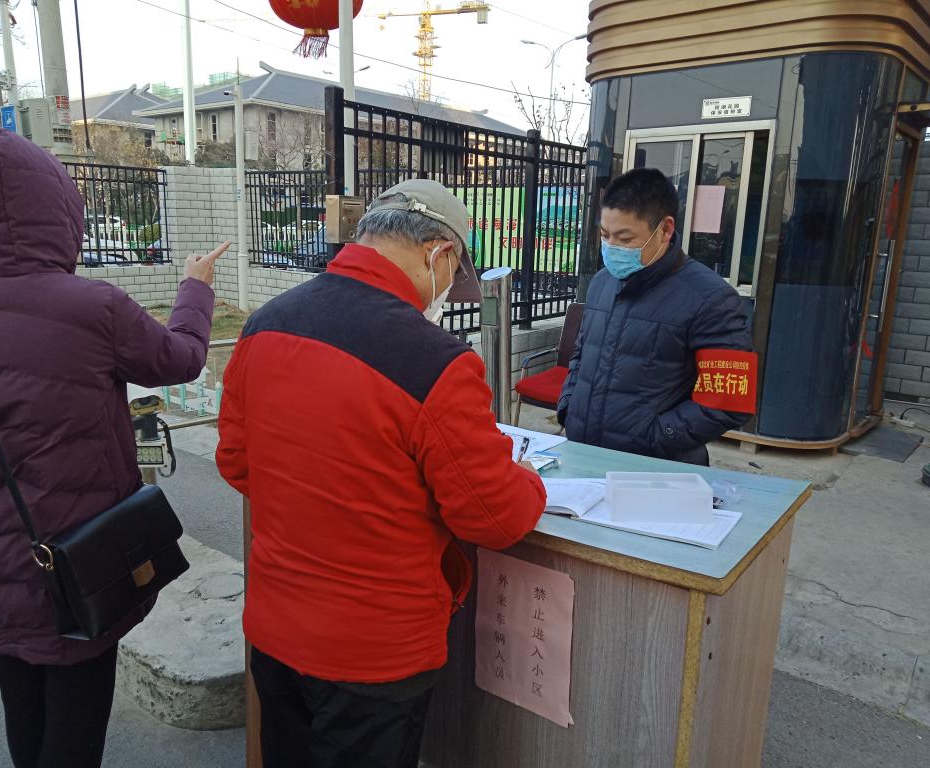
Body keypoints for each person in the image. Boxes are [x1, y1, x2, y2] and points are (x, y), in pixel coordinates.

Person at [217, 178, 546, 768]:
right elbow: (495, 517)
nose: (445, 292)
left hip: (275, 629)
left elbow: (237, 463)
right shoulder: (435, 362)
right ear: (438, 253)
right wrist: (525, 477)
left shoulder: (265, 324)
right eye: (453, 275)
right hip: (374, 654)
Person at [0, 125, 228, 768]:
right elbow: (181, 360)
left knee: (23, 707)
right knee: (76, 723)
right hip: (82, 558)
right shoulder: (91, 305)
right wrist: (196, 286)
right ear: (55, 208)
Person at [558, 168, 754, 466]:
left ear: (665, 230)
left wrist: (656, 436)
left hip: (656, 469)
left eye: (625, 238)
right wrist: (569, 406)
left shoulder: (712, 298)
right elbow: (582, 355)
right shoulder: (601, 283)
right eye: (605, 236)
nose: (612, 248)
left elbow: (729, 400)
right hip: (584, 454)